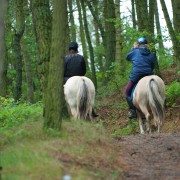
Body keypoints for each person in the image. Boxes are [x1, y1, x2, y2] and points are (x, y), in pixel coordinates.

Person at [64, 42, 98, 117]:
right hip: (81, 77)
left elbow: (64, 71)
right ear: (76, 49)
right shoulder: (81, 57)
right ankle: (92, 110)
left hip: (68, 78)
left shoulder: (66, 58)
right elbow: (84, 70)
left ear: (69, 49)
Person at [125, 37, 155, 119]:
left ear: (138, 44)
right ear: (147, 45)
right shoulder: (151, 54)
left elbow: (127, 57)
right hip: (148, 74)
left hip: (136, 75)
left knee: (127, 91)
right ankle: (163, 101)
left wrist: (133, 48)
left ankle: (133, 111)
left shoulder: (135, 51)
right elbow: (153, 65)